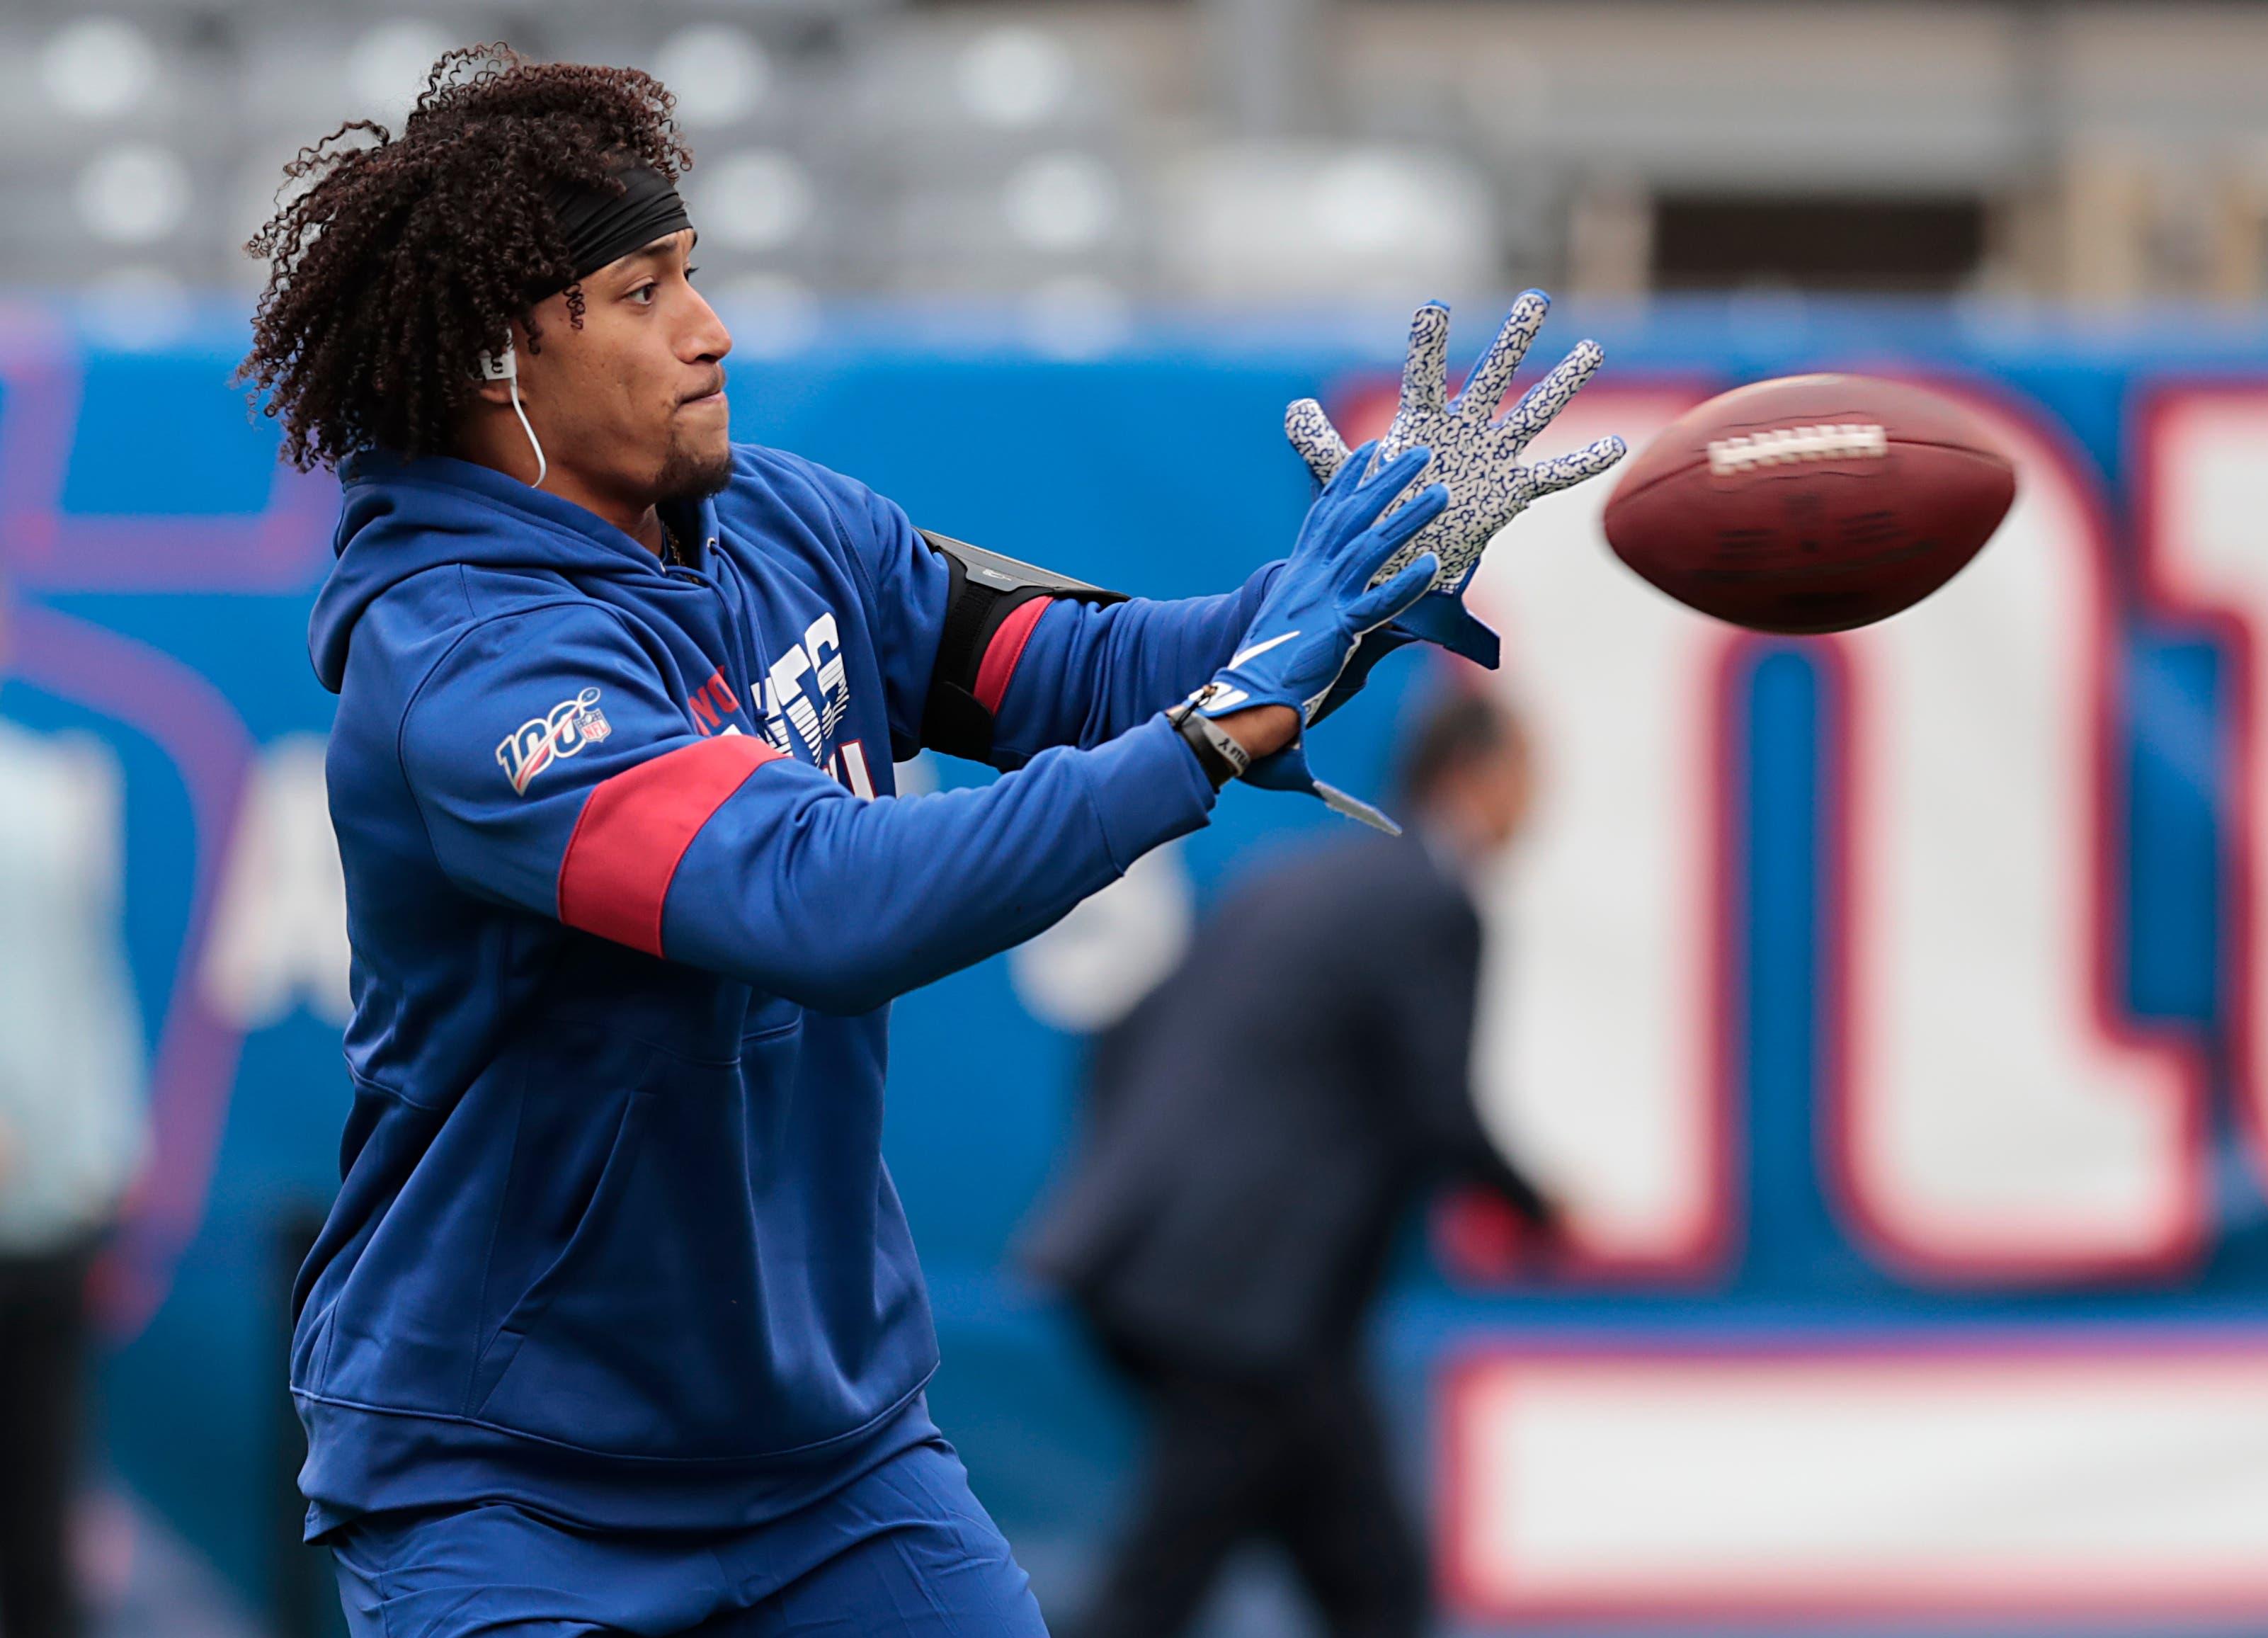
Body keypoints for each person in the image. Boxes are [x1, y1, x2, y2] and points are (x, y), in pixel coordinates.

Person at [239, 45, 1620, 1638]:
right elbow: (820, 900)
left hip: (829, 1465)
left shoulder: (785, 519)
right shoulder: (468, 668)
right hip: (517, 1486)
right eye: (638, 294)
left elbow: (1082, 671)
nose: (710, 328)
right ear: (497, 359)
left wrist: (1336, 592)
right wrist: (1201, 742)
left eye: (694, 274)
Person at [1024, 688, 1547, 1638]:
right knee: (1162, 1594)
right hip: (1244, 1307)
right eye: (1528, 776)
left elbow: (1135, 1031)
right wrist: (1546, 1208)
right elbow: (1437, 1108)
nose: (1536, 804)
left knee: (1366, 1580)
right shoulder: (1431, 901)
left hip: (1194, 1277)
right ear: (1477, 773)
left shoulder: (1294, 876)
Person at [0, 578, 149, 1638]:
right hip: (59, 1202)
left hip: (47, 1217)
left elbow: (92, 991)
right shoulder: (52, 792)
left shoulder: (51, 795)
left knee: (40, 1505)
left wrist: (98, 1152)